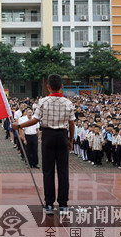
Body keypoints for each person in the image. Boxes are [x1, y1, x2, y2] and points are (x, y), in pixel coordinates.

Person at [13, 74, 75, 215]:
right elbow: (72, 124)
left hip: (48, 136)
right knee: (63, 171)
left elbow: (35, 120)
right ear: (62, 86)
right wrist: (70, 141)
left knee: (48, 171)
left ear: (48, 87)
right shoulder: (68, 103)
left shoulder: (43, 101)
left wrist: (19, 126)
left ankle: (49, 204)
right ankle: (63, 204)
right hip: (62, 136)